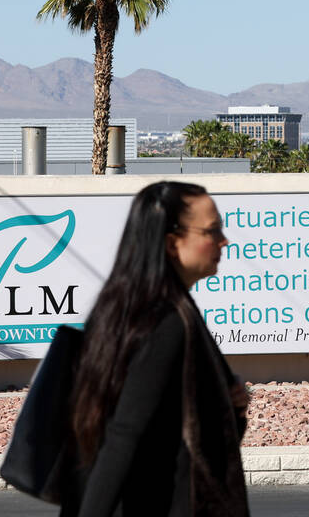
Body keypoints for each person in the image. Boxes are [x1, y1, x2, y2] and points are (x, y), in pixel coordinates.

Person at [63, 181, 249, 516]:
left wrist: (227, 401)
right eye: (212, 231)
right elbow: (124, 435)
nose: (224, 241)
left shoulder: (127, 309)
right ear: (172, 243)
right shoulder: (167, 322)